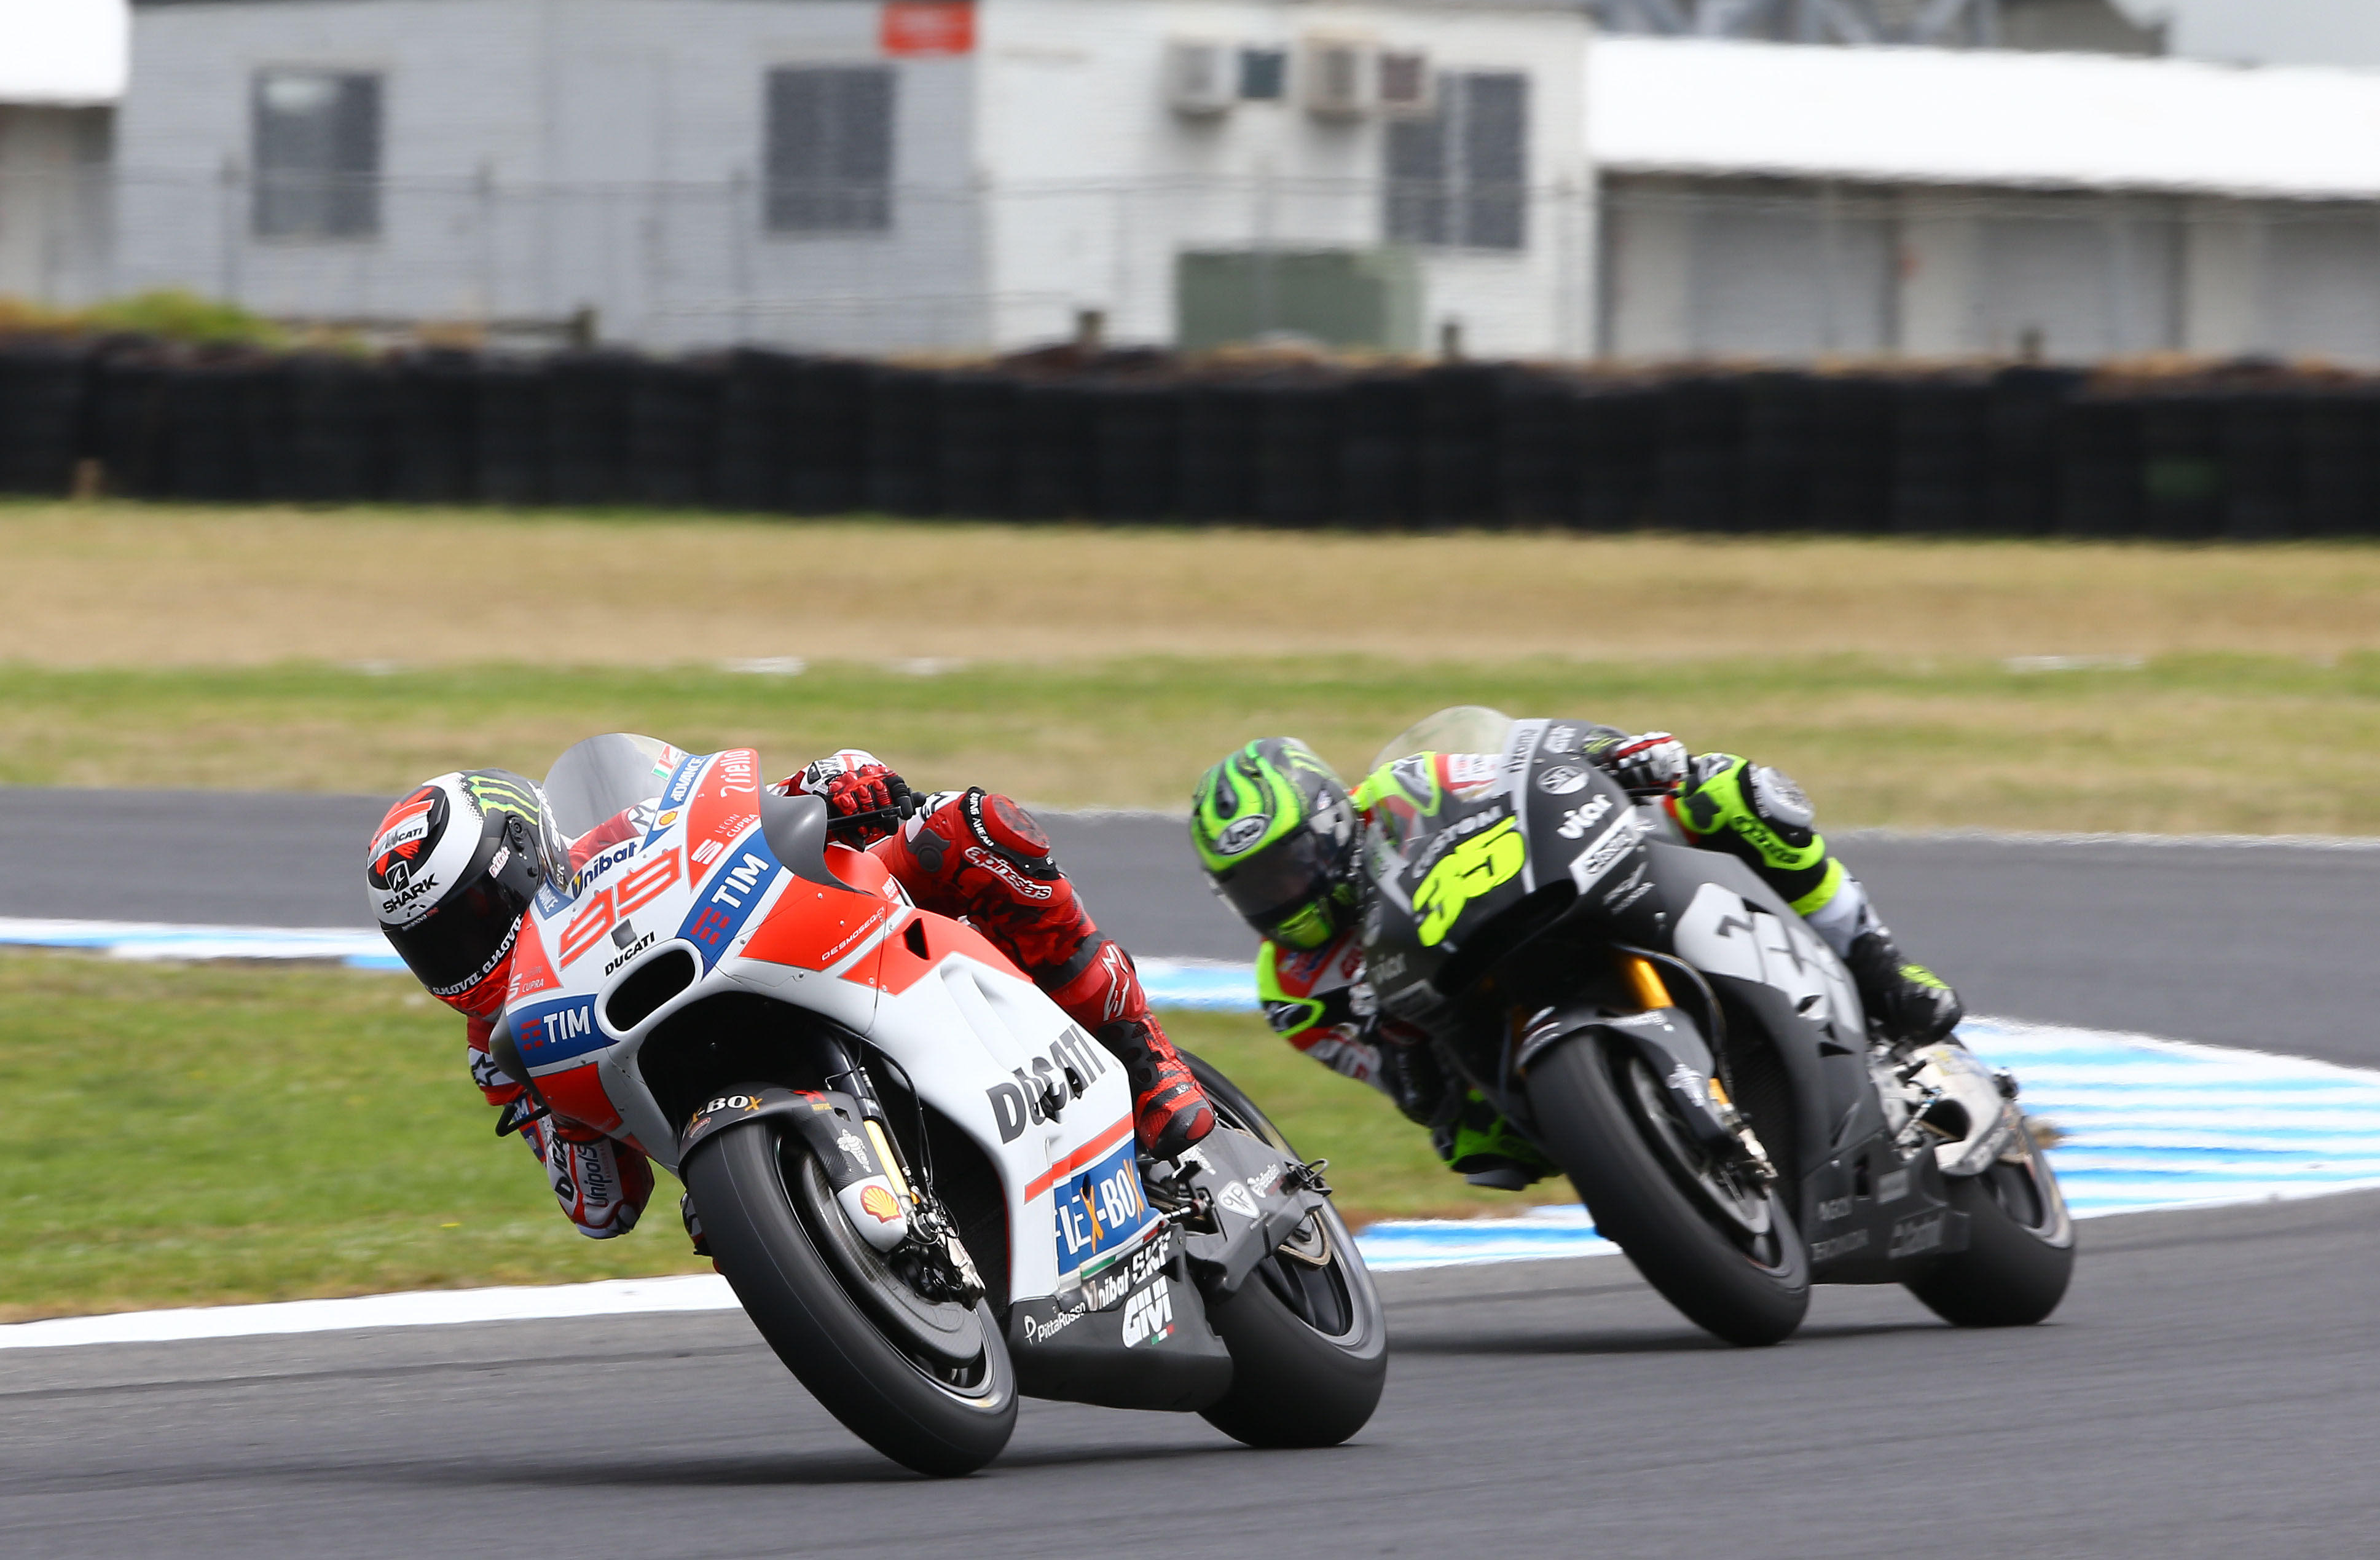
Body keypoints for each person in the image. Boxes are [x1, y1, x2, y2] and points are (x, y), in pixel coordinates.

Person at [367, 753, 1213, 1245]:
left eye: (474, 914)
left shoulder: (612, 833)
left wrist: (833, 782)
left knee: (976, 827)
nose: (464, 951)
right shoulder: (503, 1043)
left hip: (789, 939)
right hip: (719, 1110)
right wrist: (561, 1120)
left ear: (525, 858)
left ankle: (1142, 1058)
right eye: (434, 942)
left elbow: (737, 811)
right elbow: (604, 1208)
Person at [1187, 728, 1963, 1187]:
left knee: (1730, 792)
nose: (1280, 897)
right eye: (1255, 888)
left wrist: (1617, 752)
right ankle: (1644, 1156)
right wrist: (1392, 1041)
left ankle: (1880, 968)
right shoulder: (1292, 988)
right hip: (1467, 1027)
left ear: (1333, 826)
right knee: (1480, 1150)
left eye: (1289, 867)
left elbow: (1529, 759)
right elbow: (1411, 1095)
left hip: (1542, 904)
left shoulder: (1405, 790)